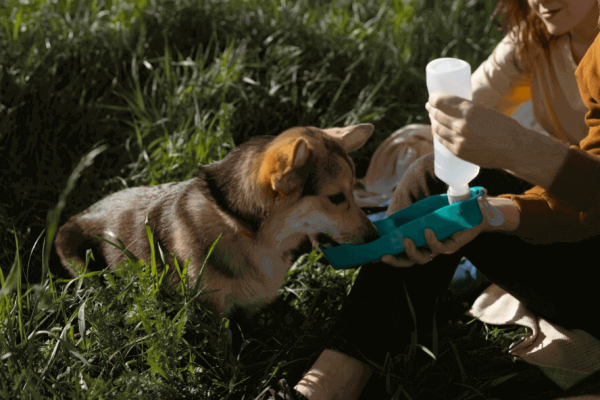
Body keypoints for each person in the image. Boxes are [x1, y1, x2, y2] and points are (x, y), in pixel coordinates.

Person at [293, 0, 600, 398]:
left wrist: (519, 148)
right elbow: (471, 110)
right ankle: (326, 384)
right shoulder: (539, 41)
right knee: (431, 178)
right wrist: (491, 214)